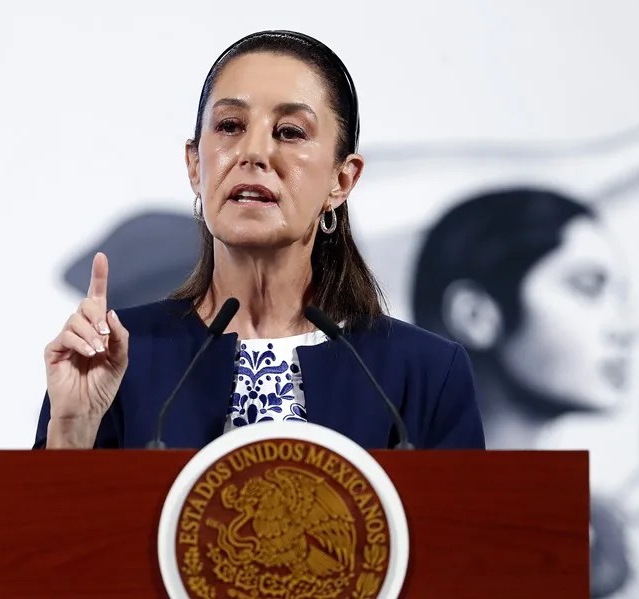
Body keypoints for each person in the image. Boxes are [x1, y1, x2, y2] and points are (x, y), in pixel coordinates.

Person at [33, 30, 485, 451]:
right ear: (195, 165)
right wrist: (72, 429)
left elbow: (463, 536)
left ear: (342, 180)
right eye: (230, 126)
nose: (254, 152)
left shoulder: (425, 371)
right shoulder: (118, 357)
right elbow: (47, 537)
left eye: (289, 132)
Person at [411, 187, 639, 597]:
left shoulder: (619, 536)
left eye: (620, 297)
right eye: (588, 287)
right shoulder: (371, 513)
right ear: (475, 314)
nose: (623, 326)